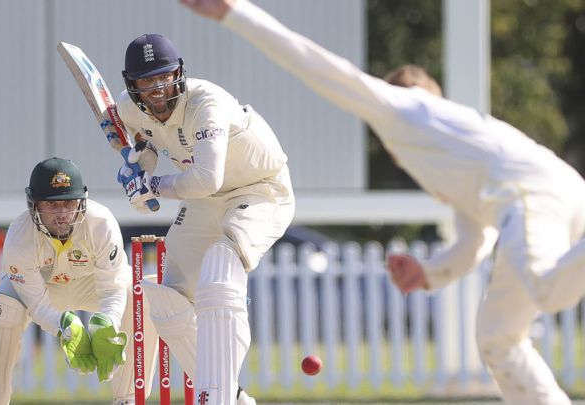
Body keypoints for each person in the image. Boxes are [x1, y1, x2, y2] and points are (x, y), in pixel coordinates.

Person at [180, 1, 585, 404]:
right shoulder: (456, 150)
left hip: (531, 196)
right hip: (554, 191)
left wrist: (235, 13)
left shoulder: (402, 109)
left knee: (549, 291)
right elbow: (476, 240)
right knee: (498, 337)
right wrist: (429, 273)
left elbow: (316, 65)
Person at [112, 33, 294, 405]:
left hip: (259, 189)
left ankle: (217, 396)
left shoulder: (206, 103)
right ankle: (230, 395)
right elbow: (148, 141)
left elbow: (206, 178)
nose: (158, 88)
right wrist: (141, 164)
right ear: (133, 86)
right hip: (205, 201)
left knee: (221, 268)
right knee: (168, 299)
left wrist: (153, 186)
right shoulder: (128, 109)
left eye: (164, 77)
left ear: (178, 73)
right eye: (147, 81)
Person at [0, 157, 158, 405]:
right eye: (51, 204)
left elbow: (112, 288)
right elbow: (36, 303)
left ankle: (129, 399)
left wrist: (108, 324)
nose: (61, 214)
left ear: (82, 201)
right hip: (44, 290)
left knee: (140, 294)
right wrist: (64, 326)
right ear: (33, 205)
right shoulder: (19, 238)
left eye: (69, 203)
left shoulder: (101, 223)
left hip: (91, 285)